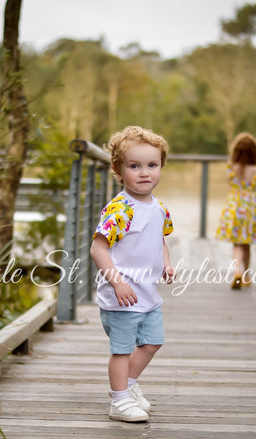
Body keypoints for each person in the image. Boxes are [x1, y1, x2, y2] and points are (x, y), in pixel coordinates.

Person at [90, 125, 175, 422]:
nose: (144, 173)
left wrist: (166, 264)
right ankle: (119, 401)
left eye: (152, 165)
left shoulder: (158, 209)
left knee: (153, 342)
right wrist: (117, 282)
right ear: (118, 169)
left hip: (148, 293)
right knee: (122, 351)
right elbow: (98, 249)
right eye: (134, 166)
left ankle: (128, 384)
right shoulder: (120, 209)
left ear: (161, 167)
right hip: (122, 296)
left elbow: (159, 240)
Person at [216, 132, 256, 289]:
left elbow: (231, 181)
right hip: (250, 206)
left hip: (234, 206)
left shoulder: (231, 168)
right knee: (246, 243)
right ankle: (246, 275)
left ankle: (237, 271)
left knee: (237, 243)